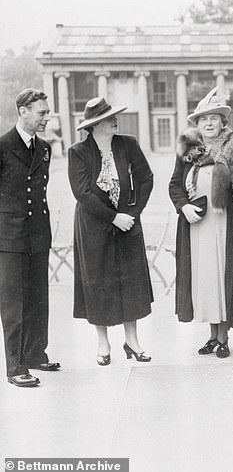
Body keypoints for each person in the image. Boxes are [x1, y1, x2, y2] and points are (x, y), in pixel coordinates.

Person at [169, 88, 233, 358]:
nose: (209, 123)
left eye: (214, 118)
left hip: (225, 224)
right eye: (203, 119)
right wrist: (183, 206)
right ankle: (211, 335)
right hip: (197, 225)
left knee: (224, 277)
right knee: (206, 279)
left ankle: (224, 337)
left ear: (223, 122)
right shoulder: (187, 150)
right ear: (196, 124)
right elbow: (175, 184)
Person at [69, 97, 154, 366]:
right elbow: (82, 193)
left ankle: (132, 340)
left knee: (131, 282)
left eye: (114, 116)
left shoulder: (127, 144)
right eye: (108, 118)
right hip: (94, 226)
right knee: (98, 282)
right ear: (94, 125)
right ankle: (103, 343)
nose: (114, 120)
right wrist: (113, 217)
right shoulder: (78, 152)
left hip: (127, 224)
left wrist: (133, 213)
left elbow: (146, 178)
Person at [0, 88, 59, 387]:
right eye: (41, 112)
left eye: (46, 112)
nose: (46, 118)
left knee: (38, 298)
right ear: (23, 111)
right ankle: (15, 367)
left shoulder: (44, 148)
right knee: (14, 304)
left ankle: (36, 353)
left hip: (37, 235)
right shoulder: (3, 146)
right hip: (9, 238)